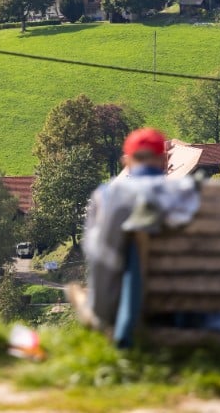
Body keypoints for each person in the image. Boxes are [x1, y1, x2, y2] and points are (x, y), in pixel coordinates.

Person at [74, 128, 178, 347]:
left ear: (126, 161)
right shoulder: (188, 194)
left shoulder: (106, 197)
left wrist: (101, 310)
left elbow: (97, 255)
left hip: (121, 308)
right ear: (164, 159)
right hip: (183, 308)